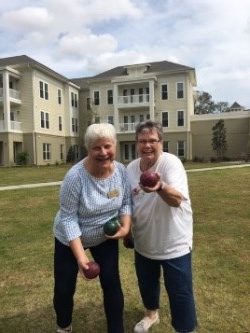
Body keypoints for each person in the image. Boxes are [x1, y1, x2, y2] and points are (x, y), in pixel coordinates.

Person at [53, 123, 132, 333]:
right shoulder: (75, 177)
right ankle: (64, 326)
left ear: (114, 145)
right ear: (88, 148)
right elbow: (68, 219)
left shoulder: (121, 172)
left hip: (104, 238)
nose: (103, 152)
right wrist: (81, 259)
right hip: (69, 238)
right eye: (97, 147)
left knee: (112, 284)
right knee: (64, 287)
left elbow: (125, 202)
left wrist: (124, 229)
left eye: (107, 146)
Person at [126, 120, 197, 333]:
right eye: (142, 141)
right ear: (136, 143)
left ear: (161, 142)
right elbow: (129, 202)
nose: (147, 145)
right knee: (147, 283)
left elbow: (177, 200)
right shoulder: (130, 169)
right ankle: (151, 315)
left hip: (173, 242)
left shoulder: (170, 163)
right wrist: (127, 230)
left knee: (180, 292)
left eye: (152, 141)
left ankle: (185, 329)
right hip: (144, 241)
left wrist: (160, 186)